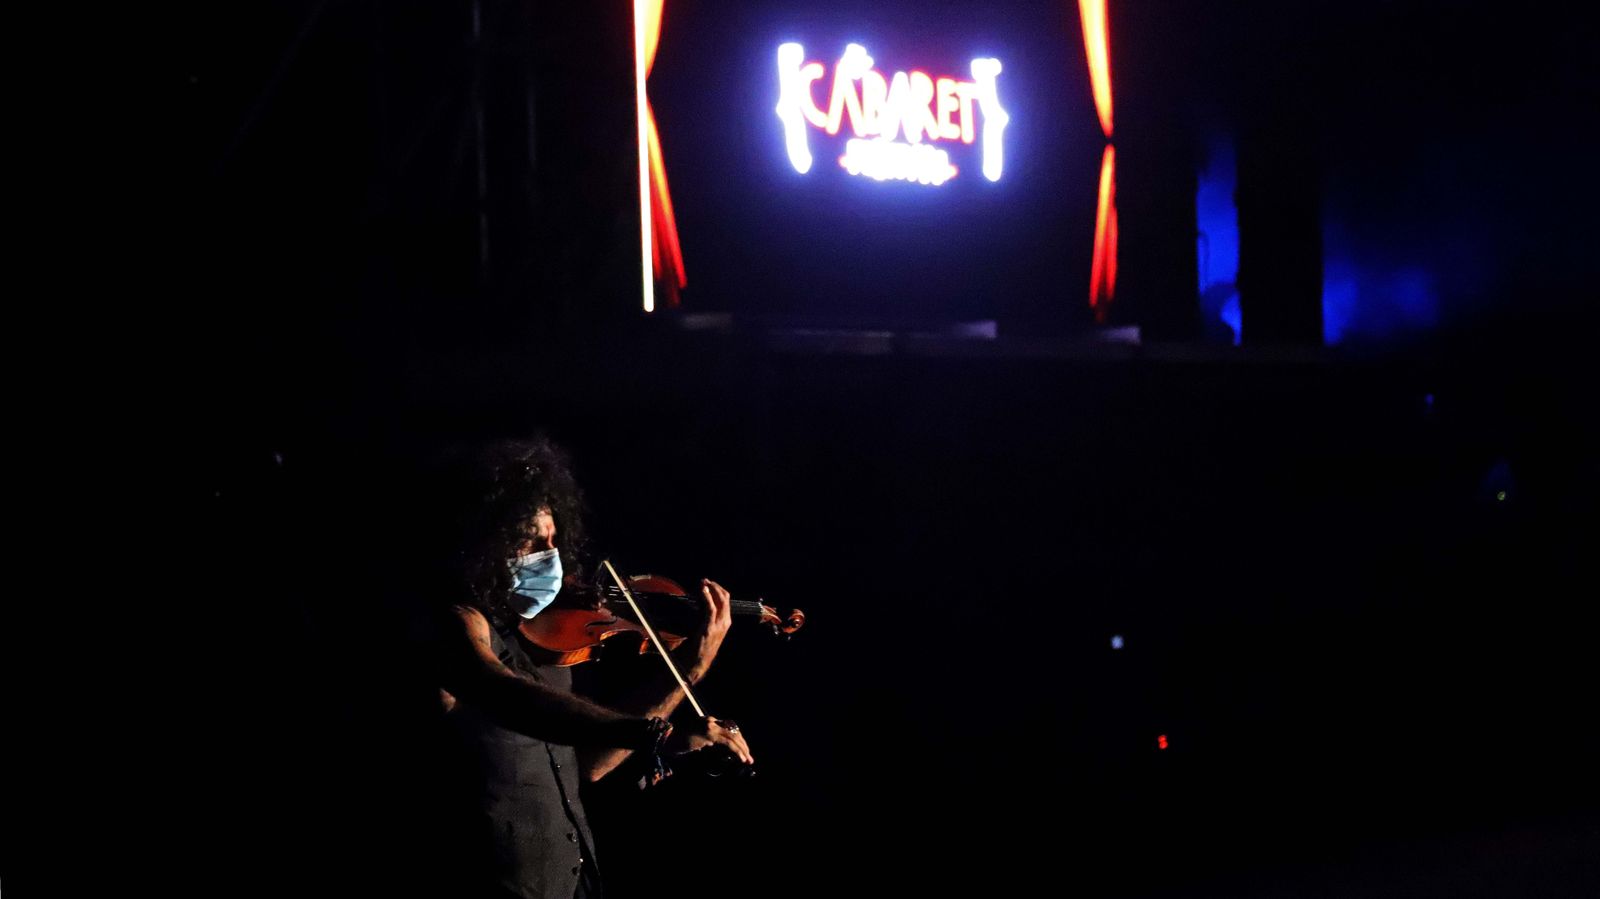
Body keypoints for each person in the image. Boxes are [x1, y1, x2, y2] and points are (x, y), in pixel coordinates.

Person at [431, 437, 752, 899]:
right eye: (531, 541)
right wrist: (649, 734)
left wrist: (687, 669)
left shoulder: (541, 638)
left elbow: (581, 766)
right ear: (484, 541)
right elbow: (502, 692)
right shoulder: (455, 624)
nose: (550, 555)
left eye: (554, 540)